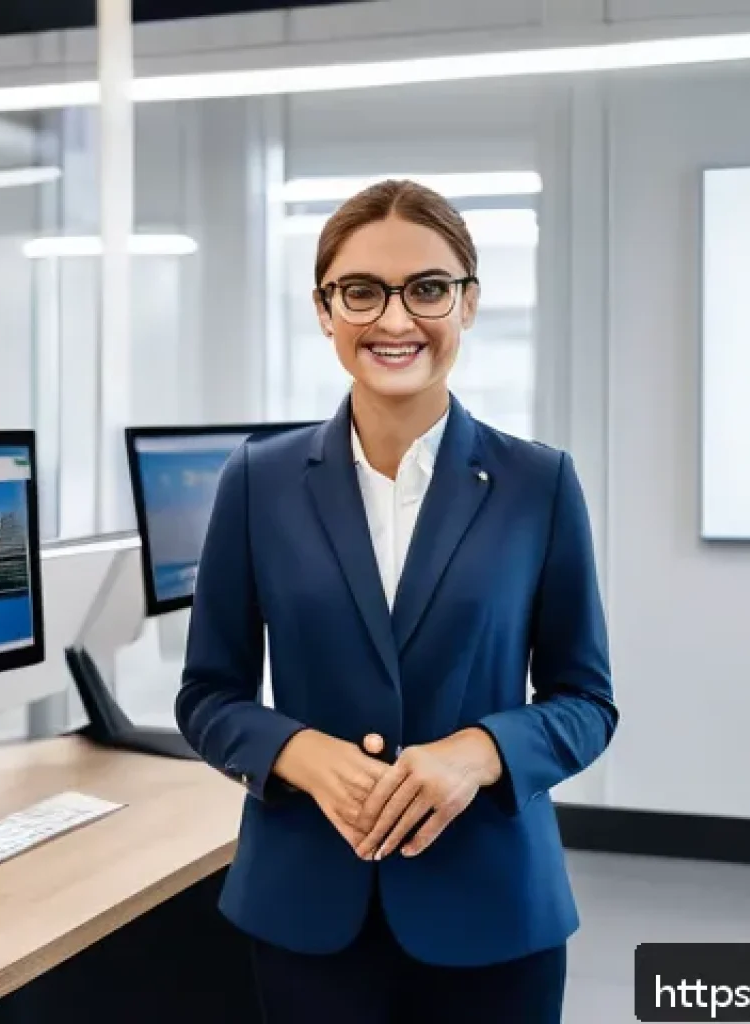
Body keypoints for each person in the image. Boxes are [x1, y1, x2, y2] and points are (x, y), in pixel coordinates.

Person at [176, 179, 618, 1023]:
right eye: (361, 292)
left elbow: (587, 703)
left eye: (427, 289)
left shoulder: (539, 483)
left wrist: (478, 753)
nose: (393, 320)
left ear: (469, 302)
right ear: (324, 309)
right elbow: (208, 696)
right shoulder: (256, 482)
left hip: (493, 911)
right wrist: (299, 752)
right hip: (308, 907)